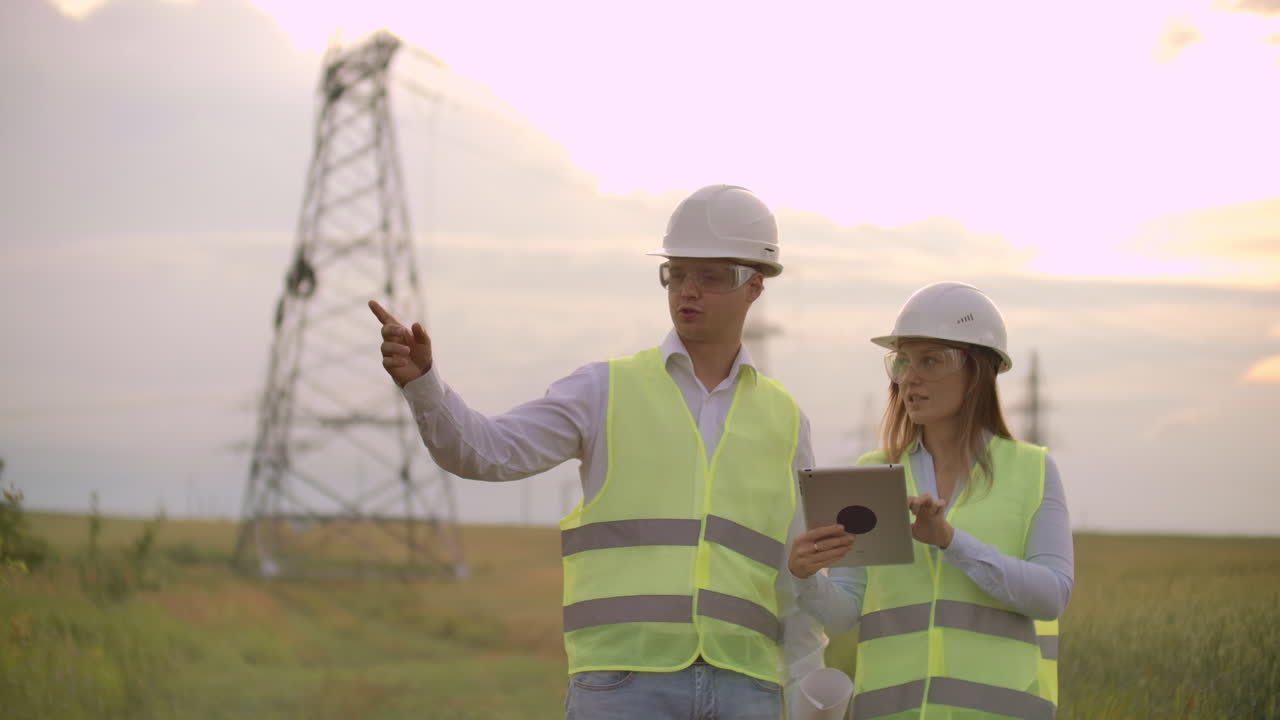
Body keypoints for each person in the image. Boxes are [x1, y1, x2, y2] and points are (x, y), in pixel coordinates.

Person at [370, 185, 826, 720]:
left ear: (755, 286)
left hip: (749, 688)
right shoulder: (602, 390)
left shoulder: (787, 421)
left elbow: (799, 577)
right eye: (677, 273)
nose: (688, 291)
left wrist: (805, 689)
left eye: (710, 276)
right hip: (622, 685)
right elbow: (486, 452)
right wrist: (424, 384)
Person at [788, 281, 1073, 720]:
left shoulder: (1033, 470)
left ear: (978, 371)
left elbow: (1051, 595)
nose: (909, 377)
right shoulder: (872, 472)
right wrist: (806, 577)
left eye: (930, 361)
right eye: (902, 360)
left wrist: (952, 542)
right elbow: (844, 614)